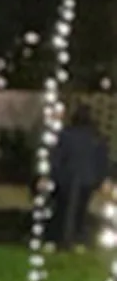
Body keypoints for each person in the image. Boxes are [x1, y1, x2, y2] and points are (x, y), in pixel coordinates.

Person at [48, 104, 112, 251]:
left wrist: (54, 175)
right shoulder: (96, 137)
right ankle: (77, 239)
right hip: (87, 179)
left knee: (65, 210)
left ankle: (64, 240)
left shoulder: (66, 134)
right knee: (80, 211)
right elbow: (102, 159)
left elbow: (57, 158)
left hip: (68, 178)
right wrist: (102, 178)